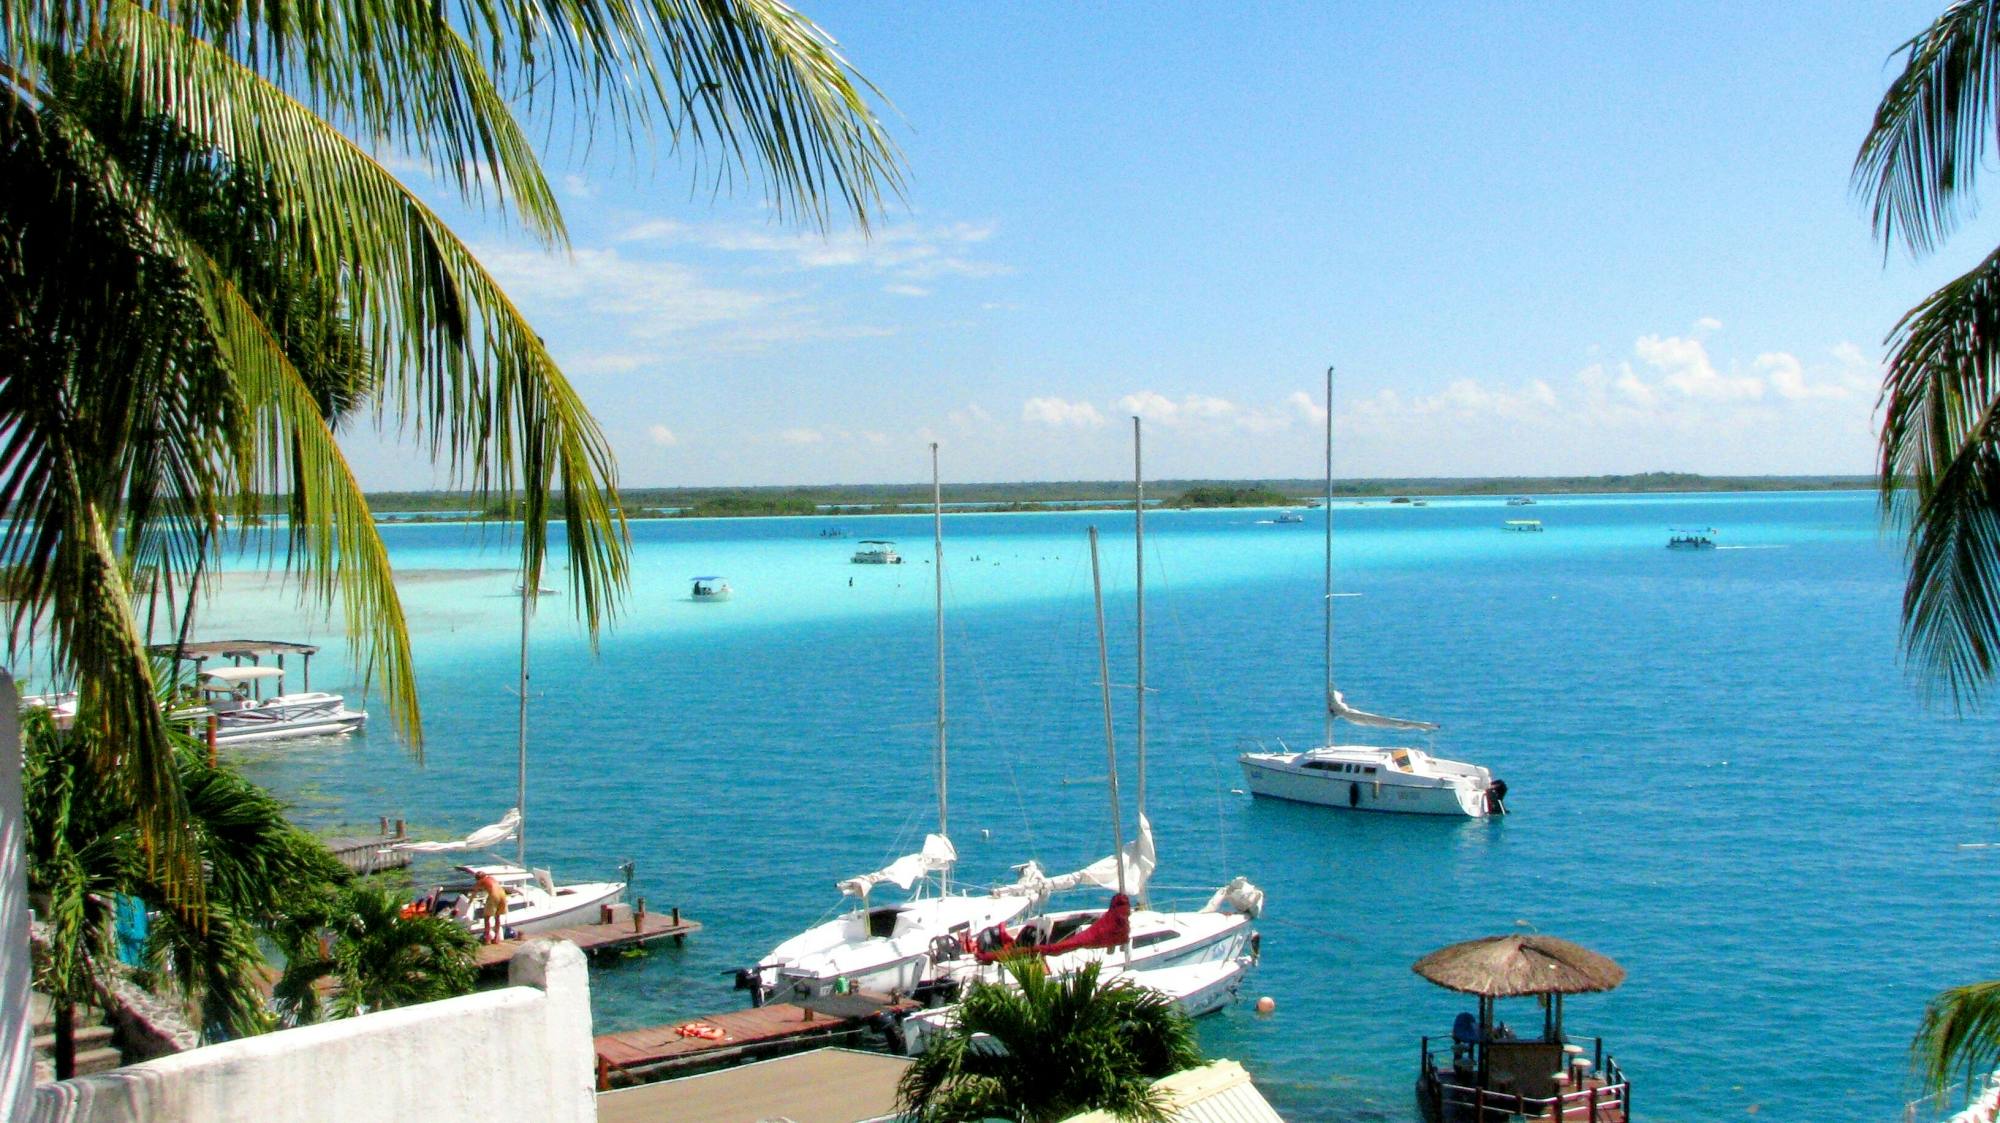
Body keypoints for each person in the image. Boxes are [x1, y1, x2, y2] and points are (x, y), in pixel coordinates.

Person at [475, 871, 509, 944]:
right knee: (497, 916)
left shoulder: (481, 881)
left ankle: (487, 939)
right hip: (503, 894)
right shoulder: (492, 878)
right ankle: (496, 938)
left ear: (478, 878)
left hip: (494, 896)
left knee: (486, 917)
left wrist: (470, 901)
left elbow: (474, 893)